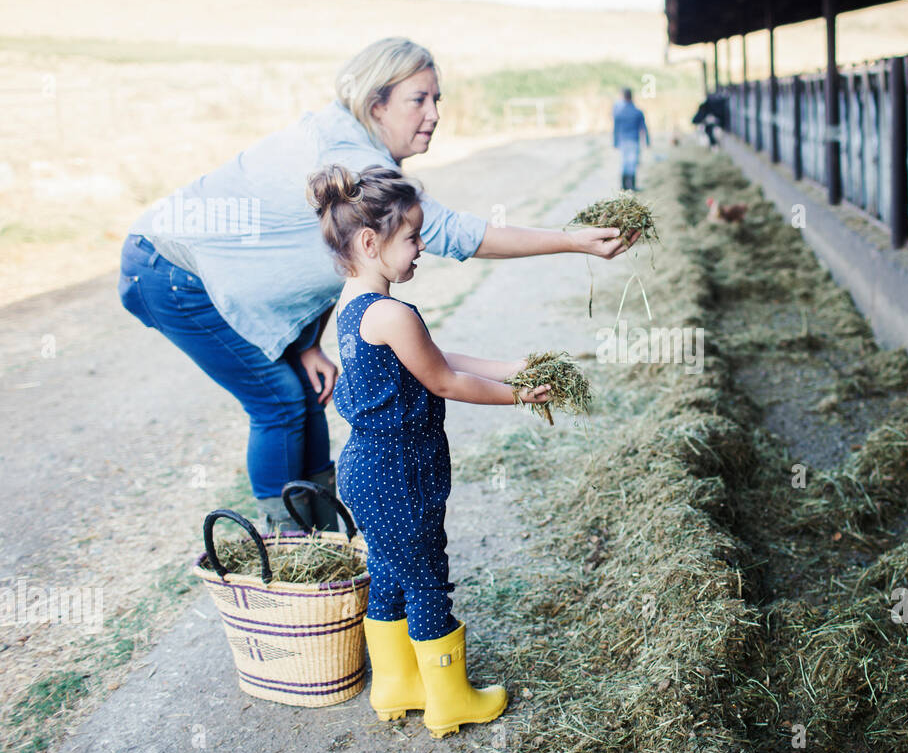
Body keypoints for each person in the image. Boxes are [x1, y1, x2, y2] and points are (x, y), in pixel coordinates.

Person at [117, 38, 634, 535]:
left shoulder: (353, 144)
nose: (433, 113)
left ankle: (321, 539)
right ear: (376, 104)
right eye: (418, 100)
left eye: (437, 99)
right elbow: (449, 232)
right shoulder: (350, 155)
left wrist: (305, 344)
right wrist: (575, 241)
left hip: (202, 271)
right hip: (169, 271)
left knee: (305, 393)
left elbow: (329, 256)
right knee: (278, 401)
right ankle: (291, 552)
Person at [309, 162, 550, 736]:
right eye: (413, 237)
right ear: (370, 242)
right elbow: (443, 381)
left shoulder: (354, 304)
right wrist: (520, 396)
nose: (422, 249)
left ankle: (397, 685)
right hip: (400, 470)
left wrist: (511, 367)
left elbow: (435, 359)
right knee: (425, 576)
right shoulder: (392, 313)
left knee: (390, 570)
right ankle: (450, 699)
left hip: (366, 468)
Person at [612, 87, 650, 190]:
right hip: (634, 140)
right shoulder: (637, 111)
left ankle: (624, 186)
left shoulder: (619, 112)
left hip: (623, 140)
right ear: (631, 97)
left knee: (624, 162)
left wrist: (615, 142)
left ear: (623, 97)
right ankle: (632, 186)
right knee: (632, 162)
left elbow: (616, 128)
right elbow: (644, 128)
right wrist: (647, 141)